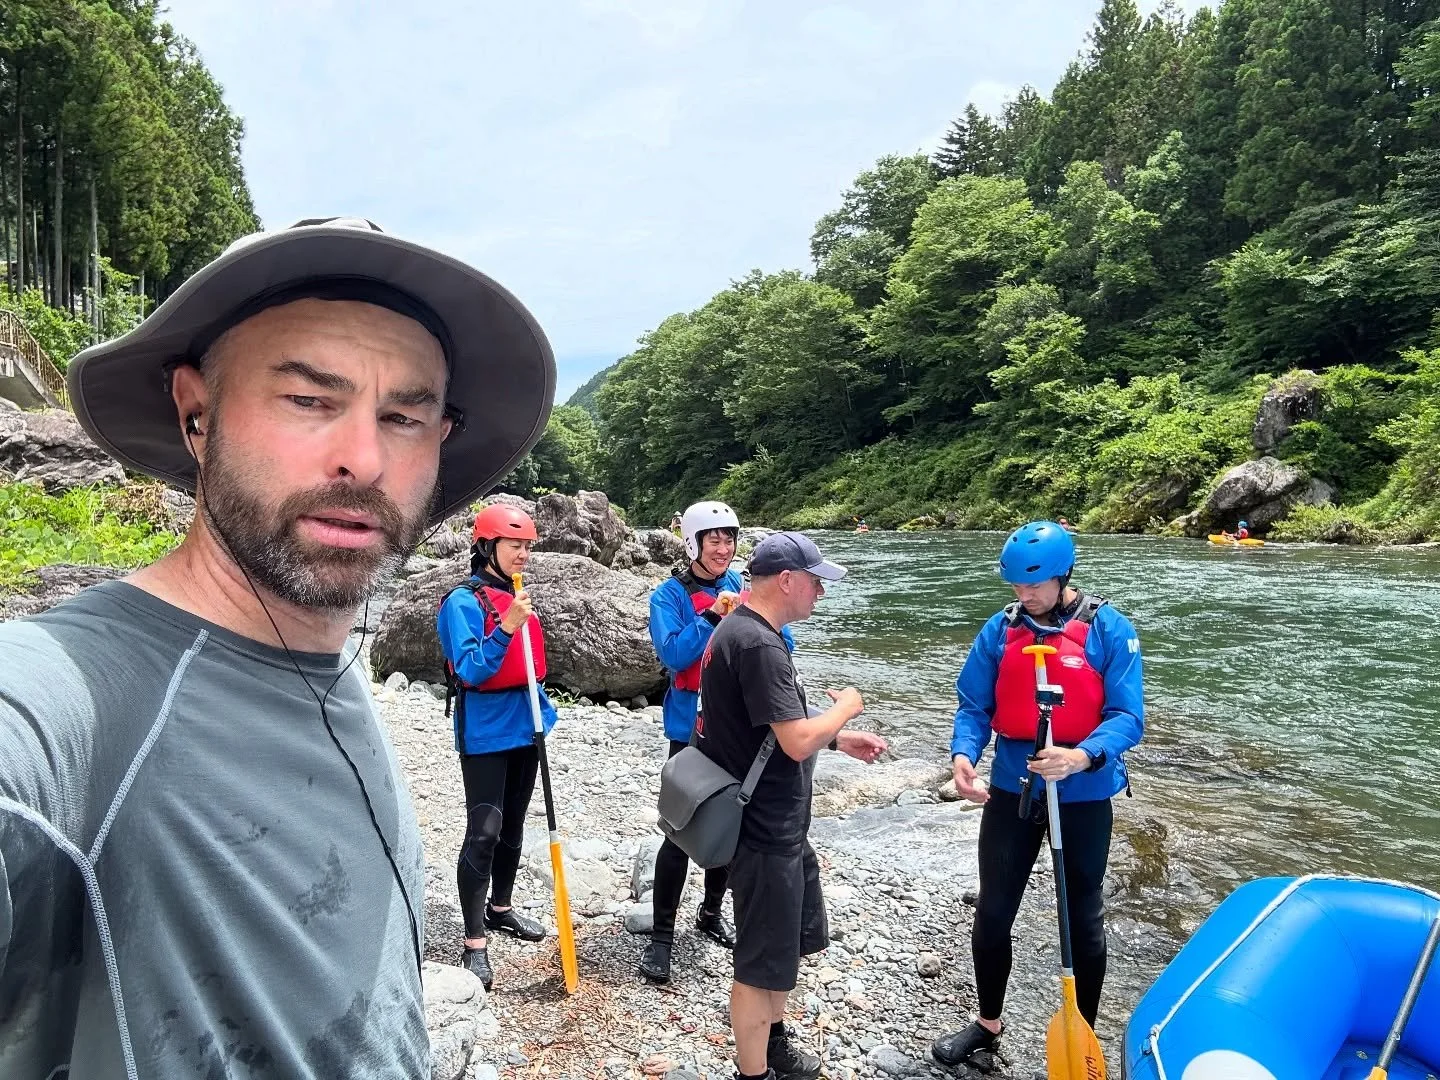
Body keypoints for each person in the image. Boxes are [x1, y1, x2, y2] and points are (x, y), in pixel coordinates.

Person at [0, 216, 555, 1079]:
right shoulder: (67, 703)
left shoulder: (330, 667)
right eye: (308, 400)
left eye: (406, 415)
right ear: (197, 411)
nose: (364, 459)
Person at [931, 521, 1144, 1068]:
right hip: (1013, 788)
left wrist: (1080, 755)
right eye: (1017, 587)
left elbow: (1127, 717)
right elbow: (973, 706)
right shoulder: (999, 632)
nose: (1024, 597)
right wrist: (963, 754)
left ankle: (1085, 1039)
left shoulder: (1108, 629)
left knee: (1082, 916)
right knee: (994, 910)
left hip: (1083, 790)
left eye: (1035, 587)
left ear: (1064, 575)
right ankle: (987, 1022)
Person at [697, 531, 887, 1080]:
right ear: (786, 581)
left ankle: (775, 1043)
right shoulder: (757, 643)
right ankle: (752, 1072)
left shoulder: (744, 629)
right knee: (759, 965)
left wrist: (837, 740)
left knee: (782, 950)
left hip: (776, 825)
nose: (821, 592)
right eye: (816, 581)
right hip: (763, 831)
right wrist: (846, 711)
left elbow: (773, 727)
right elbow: (795, 740)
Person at [640, 500, 794, 984]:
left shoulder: (741, 588)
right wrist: (711, 619)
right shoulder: (668, 595)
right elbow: (671, 653)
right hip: (689, 726)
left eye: (729, 540)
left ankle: (710, 913)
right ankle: (662, 935)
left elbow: (779, 643)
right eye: (714, 540)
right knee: (679, 828)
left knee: (732, 819)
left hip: (734, 726)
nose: (724, 549)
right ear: (693, 544)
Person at [438, 503, 558, 990]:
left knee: (513, 827)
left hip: (526, 723)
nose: (523, 554)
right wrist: (506, 626)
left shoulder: (516, 593)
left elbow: (530, 664)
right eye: (514, 545)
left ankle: (501, 907)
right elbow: (470, 669)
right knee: (485, 830)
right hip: (485, 730)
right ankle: (473, 942)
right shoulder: (462, 603)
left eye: (528, 546)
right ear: (486, 547)